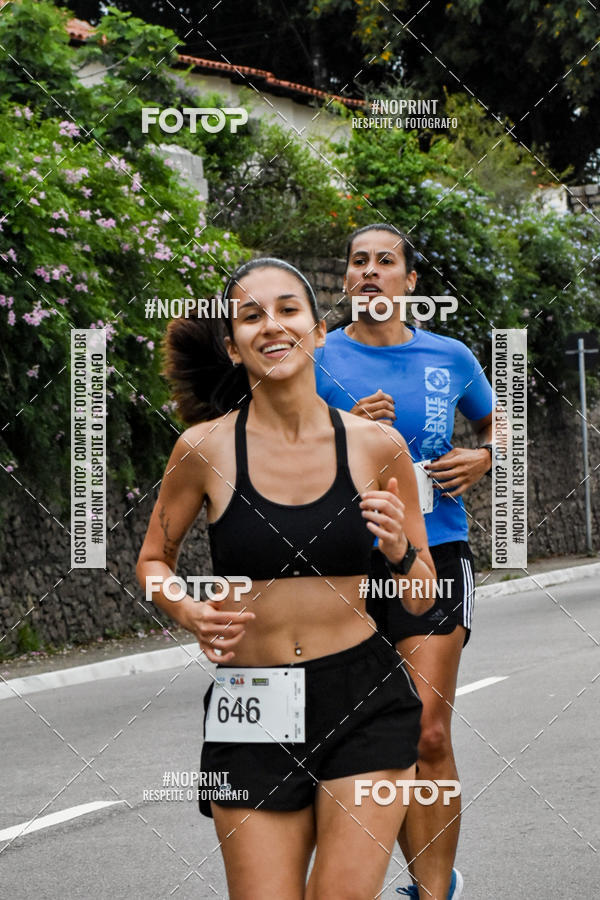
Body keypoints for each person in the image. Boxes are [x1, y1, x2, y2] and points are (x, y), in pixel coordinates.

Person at [136, 257, 438, 900]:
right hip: (253, 701)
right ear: (233, 345)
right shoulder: (203, 449)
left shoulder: (377, 447)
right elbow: (154, 563)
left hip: (364, 698)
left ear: (319, 330)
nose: (272, 325)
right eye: (251, 316)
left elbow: (422, 594)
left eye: (288, 310)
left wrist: (399, 551)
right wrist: (189, 611)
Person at [314, 225, 496, 900]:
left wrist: (485, 455)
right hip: (342, 562)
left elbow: (498, 421)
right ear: (346, 278)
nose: (369, 271)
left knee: (428, 731)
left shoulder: (449, 355)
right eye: (358, 261)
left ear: (409, 281)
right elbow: (277, 443)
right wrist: (343, 425)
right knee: (370, 734)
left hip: (434, 549)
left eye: (384, 261)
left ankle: (433, 891)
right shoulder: (317, 356)